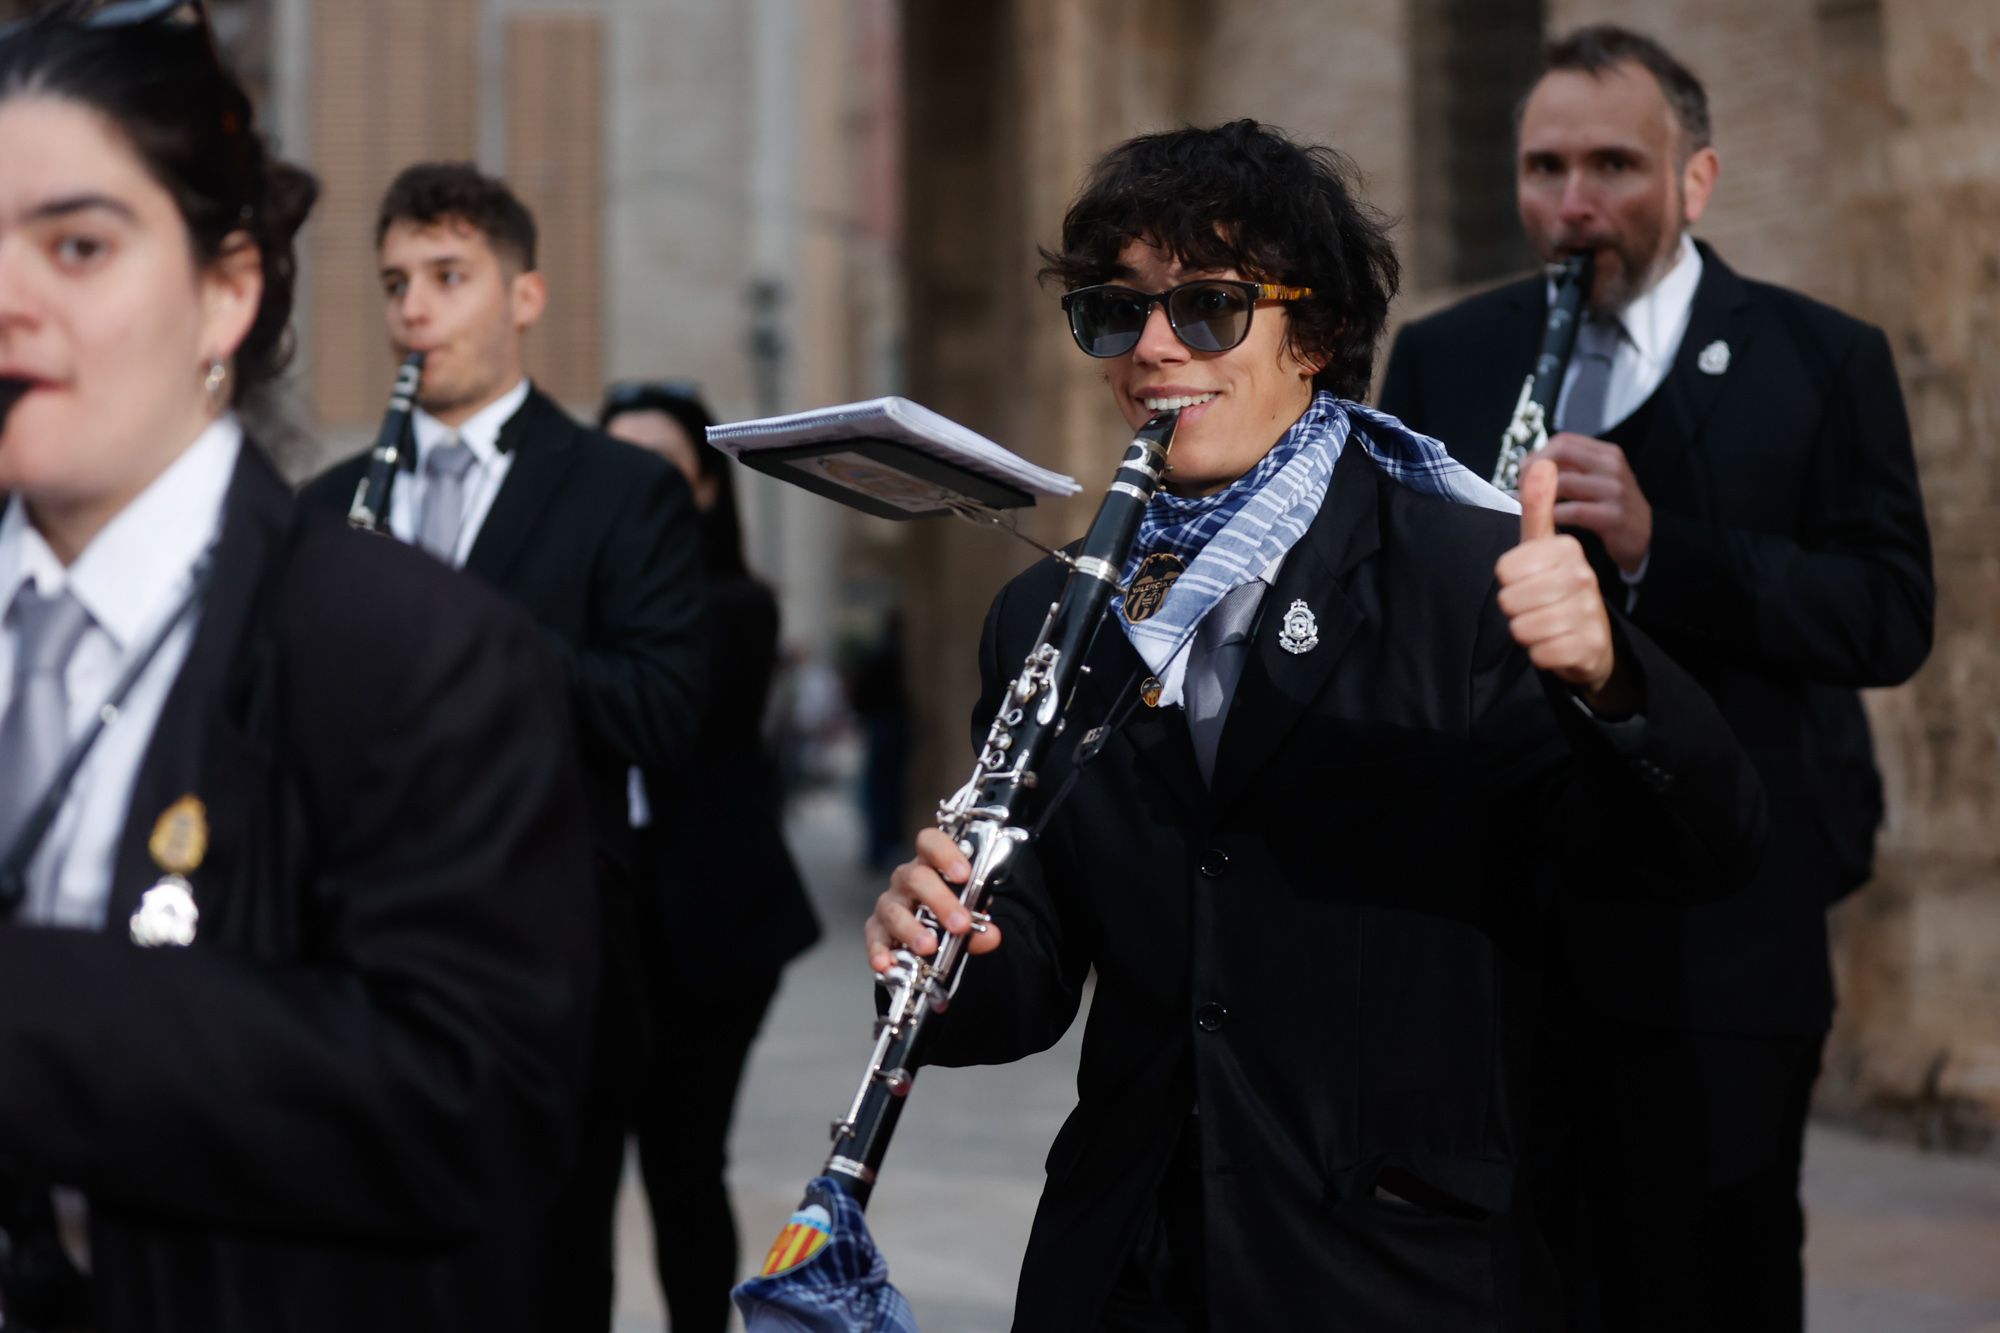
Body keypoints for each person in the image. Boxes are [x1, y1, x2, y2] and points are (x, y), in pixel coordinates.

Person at [866, 118, 1768, 1331]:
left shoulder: (1467, 573)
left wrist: (1610, 676)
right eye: (1110, 313)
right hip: (1129, 1270)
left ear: (1320, 335)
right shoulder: (1045, 609)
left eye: (1208, 308)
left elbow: (1702, 851)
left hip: (1395, 1270)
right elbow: (1023, 982)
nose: (1150, 349)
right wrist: (934, 951)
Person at [0, 4, 598, 1330]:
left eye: (79, 246)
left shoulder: (417, 655)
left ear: (228, 290)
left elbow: (471, 1103)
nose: (10, 298)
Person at [1377, 26, 1934, 1332]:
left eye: (1615, 165)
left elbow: (1890, 615)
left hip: (1723, 944)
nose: (1573, 204)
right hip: (1503, 934)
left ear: (1697, 181)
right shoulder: (1452, 359)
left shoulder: (1820, 356)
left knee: (1711, 1284)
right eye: (1545, 167)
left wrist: (1657, 549)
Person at [301, 166, 707, 1330]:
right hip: (353, 956)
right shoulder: (331, 505)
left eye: (447, 277)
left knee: (539, 1278)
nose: (412, 310)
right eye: (394, 284)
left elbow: (659, 706)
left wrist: (454, 631)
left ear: (524, 295)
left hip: (545, 962)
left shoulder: (622, 492)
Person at [597, 380, 820, 1333]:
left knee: (683, 1163)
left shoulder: (732, 609)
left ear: (700, 490)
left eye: (654, 467)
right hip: (593, 925)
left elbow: (666, 712)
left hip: (709, 934)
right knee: (571, 1169)